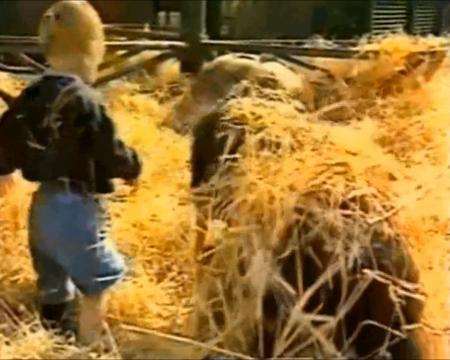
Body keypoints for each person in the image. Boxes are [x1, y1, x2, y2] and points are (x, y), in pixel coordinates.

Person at [0, 0, 141, 345]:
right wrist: (133, 167)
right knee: (98, 281)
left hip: (42, 211)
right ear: (93, 50)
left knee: (52, 284)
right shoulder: (87, 101)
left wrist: (3, 171)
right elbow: (110, 150)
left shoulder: (30, 96)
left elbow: (5, 136)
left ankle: (51, 338)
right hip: (77, 210)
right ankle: (91, 342)